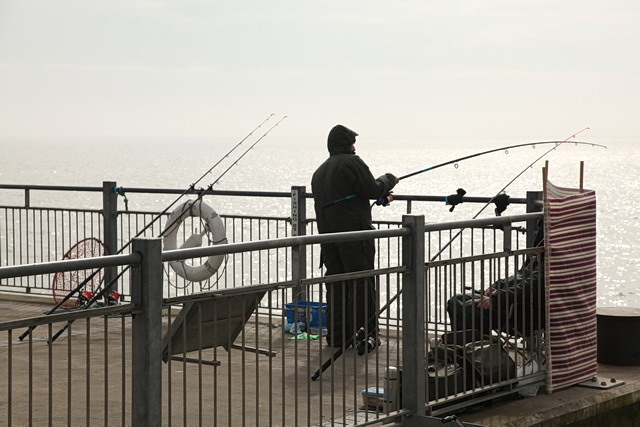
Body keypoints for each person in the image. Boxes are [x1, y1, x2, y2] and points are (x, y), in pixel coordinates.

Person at [311, 124, 398, 347]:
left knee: (336, 285)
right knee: (362, 284)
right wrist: (388, 179)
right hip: (355, 236)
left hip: (328, 239)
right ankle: (365, 336)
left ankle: (337, 337)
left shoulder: (319, 172)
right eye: (352, 142)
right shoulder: (352, 162)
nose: (355, 146)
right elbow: (372, 189)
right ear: (346, 144)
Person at [446, 224, 545, 337]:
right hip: (510, 300)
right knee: (456, 301)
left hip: (526, 310)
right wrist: (497, 285)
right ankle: (461, 347)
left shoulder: (549, 262)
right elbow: (519, 276)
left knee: (472, 307)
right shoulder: (535, 258)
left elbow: (530, 286)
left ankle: (479, 350)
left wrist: (496, 298)